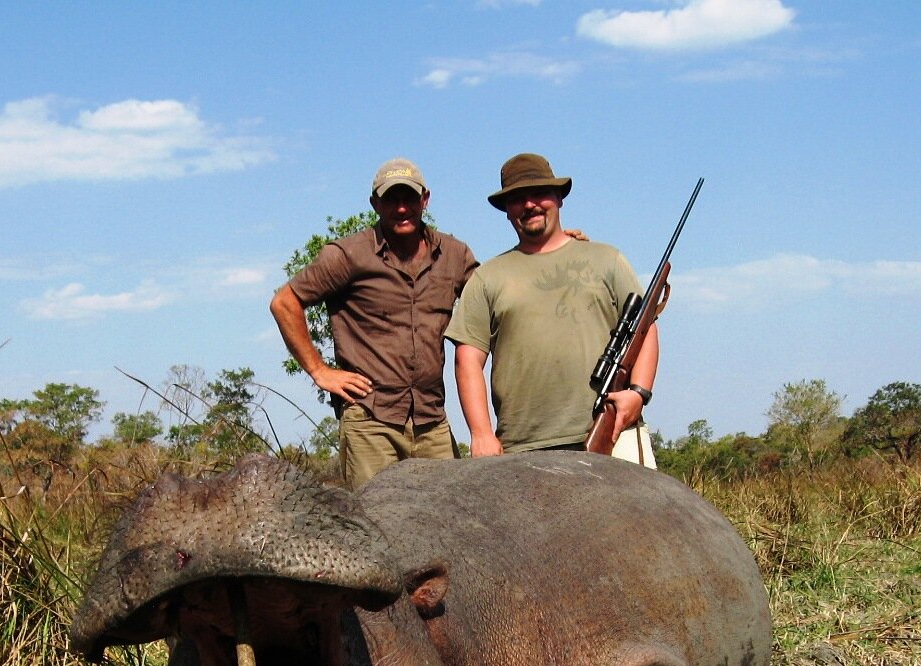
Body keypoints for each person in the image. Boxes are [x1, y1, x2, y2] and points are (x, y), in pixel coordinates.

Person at [270, 158, 478, 488]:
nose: (401, 208)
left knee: (448, 523)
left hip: (431, 420)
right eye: (391, 199)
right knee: (375, 528)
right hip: (370, 420)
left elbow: (494, 296)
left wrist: (548, 247)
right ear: (374, 204)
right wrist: (319, 371)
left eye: (409, 198)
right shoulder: (348, 255)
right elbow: (284, 302)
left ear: (425, 199)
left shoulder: (454, 255)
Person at [446, 153, 660, 465]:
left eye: (539, 193)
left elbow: (645, 327)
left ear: (558, 197)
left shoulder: (607, 259)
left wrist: (638, 394)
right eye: (517, 199)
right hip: (523, 448)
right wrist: (481, 433)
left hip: (614, 431)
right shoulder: (486, 277)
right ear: (507, 211)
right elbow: (467, 359)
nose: (529, 204)